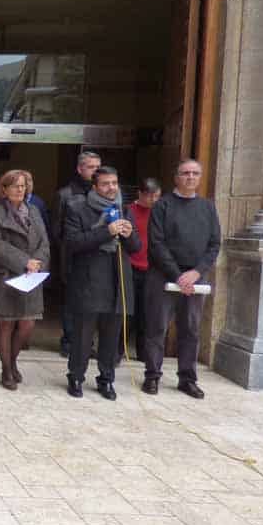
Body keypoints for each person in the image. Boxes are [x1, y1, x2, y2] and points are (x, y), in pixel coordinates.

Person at [142, 159, 221, 399]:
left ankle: (187, 379)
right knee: (157, 328)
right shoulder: (162, 206)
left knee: (191, 330)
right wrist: (177, 275)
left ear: (200, 177)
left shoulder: (208, 208)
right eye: (185, 173)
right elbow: (156, 244)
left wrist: (196, 272)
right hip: (163, 275)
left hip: (195, 277)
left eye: (195, 173)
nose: (190, 177)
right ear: (176, 178)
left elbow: (214, 244)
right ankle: (152, 376)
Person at [63, 166, 140, 400]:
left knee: (111, 335)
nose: (111, 188)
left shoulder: (124, 209)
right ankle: (76, 376)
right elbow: (73, 242)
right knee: (83, 335)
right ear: (95, 187)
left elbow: (136, 247)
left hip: (117, 280)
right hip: (89, 280)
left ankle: (106, 379)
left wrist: (128, 235)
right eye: (105, 184)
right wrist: (106, 232)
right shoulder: (78, 208)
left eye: (114, 183)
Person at [0, 169, 51, 391]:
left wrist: (38, 262)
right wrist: (24, 261)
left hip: (31, 277)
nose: (20, 189)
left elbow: (44, 242)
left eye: (23, 186)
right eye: (15, 186)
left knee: (27, 325)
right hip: (5, 276)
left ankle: (12, 360)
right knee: (5, 324)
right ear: (4, 189)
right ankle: (6, 369)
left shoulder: (33, 211)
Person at [53, 151, 102, 356]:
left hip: (97, 256)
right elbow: (56, 229)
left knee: (92, 300)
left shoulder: (104, 193)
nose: (95, 171)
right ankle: (70, 341)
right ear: (80, 169)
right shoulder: (65, 195)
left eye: (98, 168)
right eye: (91, 167)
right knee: (71, 300)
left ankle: (88, 343)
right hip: (72, 254)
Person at [127, 177, 161, 360]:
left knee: (147, 314)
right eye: (150, 196)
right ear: (140, 194)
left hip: (152, 268)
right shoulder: (129, 211)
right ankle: (118, 350)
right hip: (131, 266)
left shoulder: (160, 213)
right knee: (127, 313)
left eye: (157, 196)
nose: (154, 200)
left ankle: (143, 353)